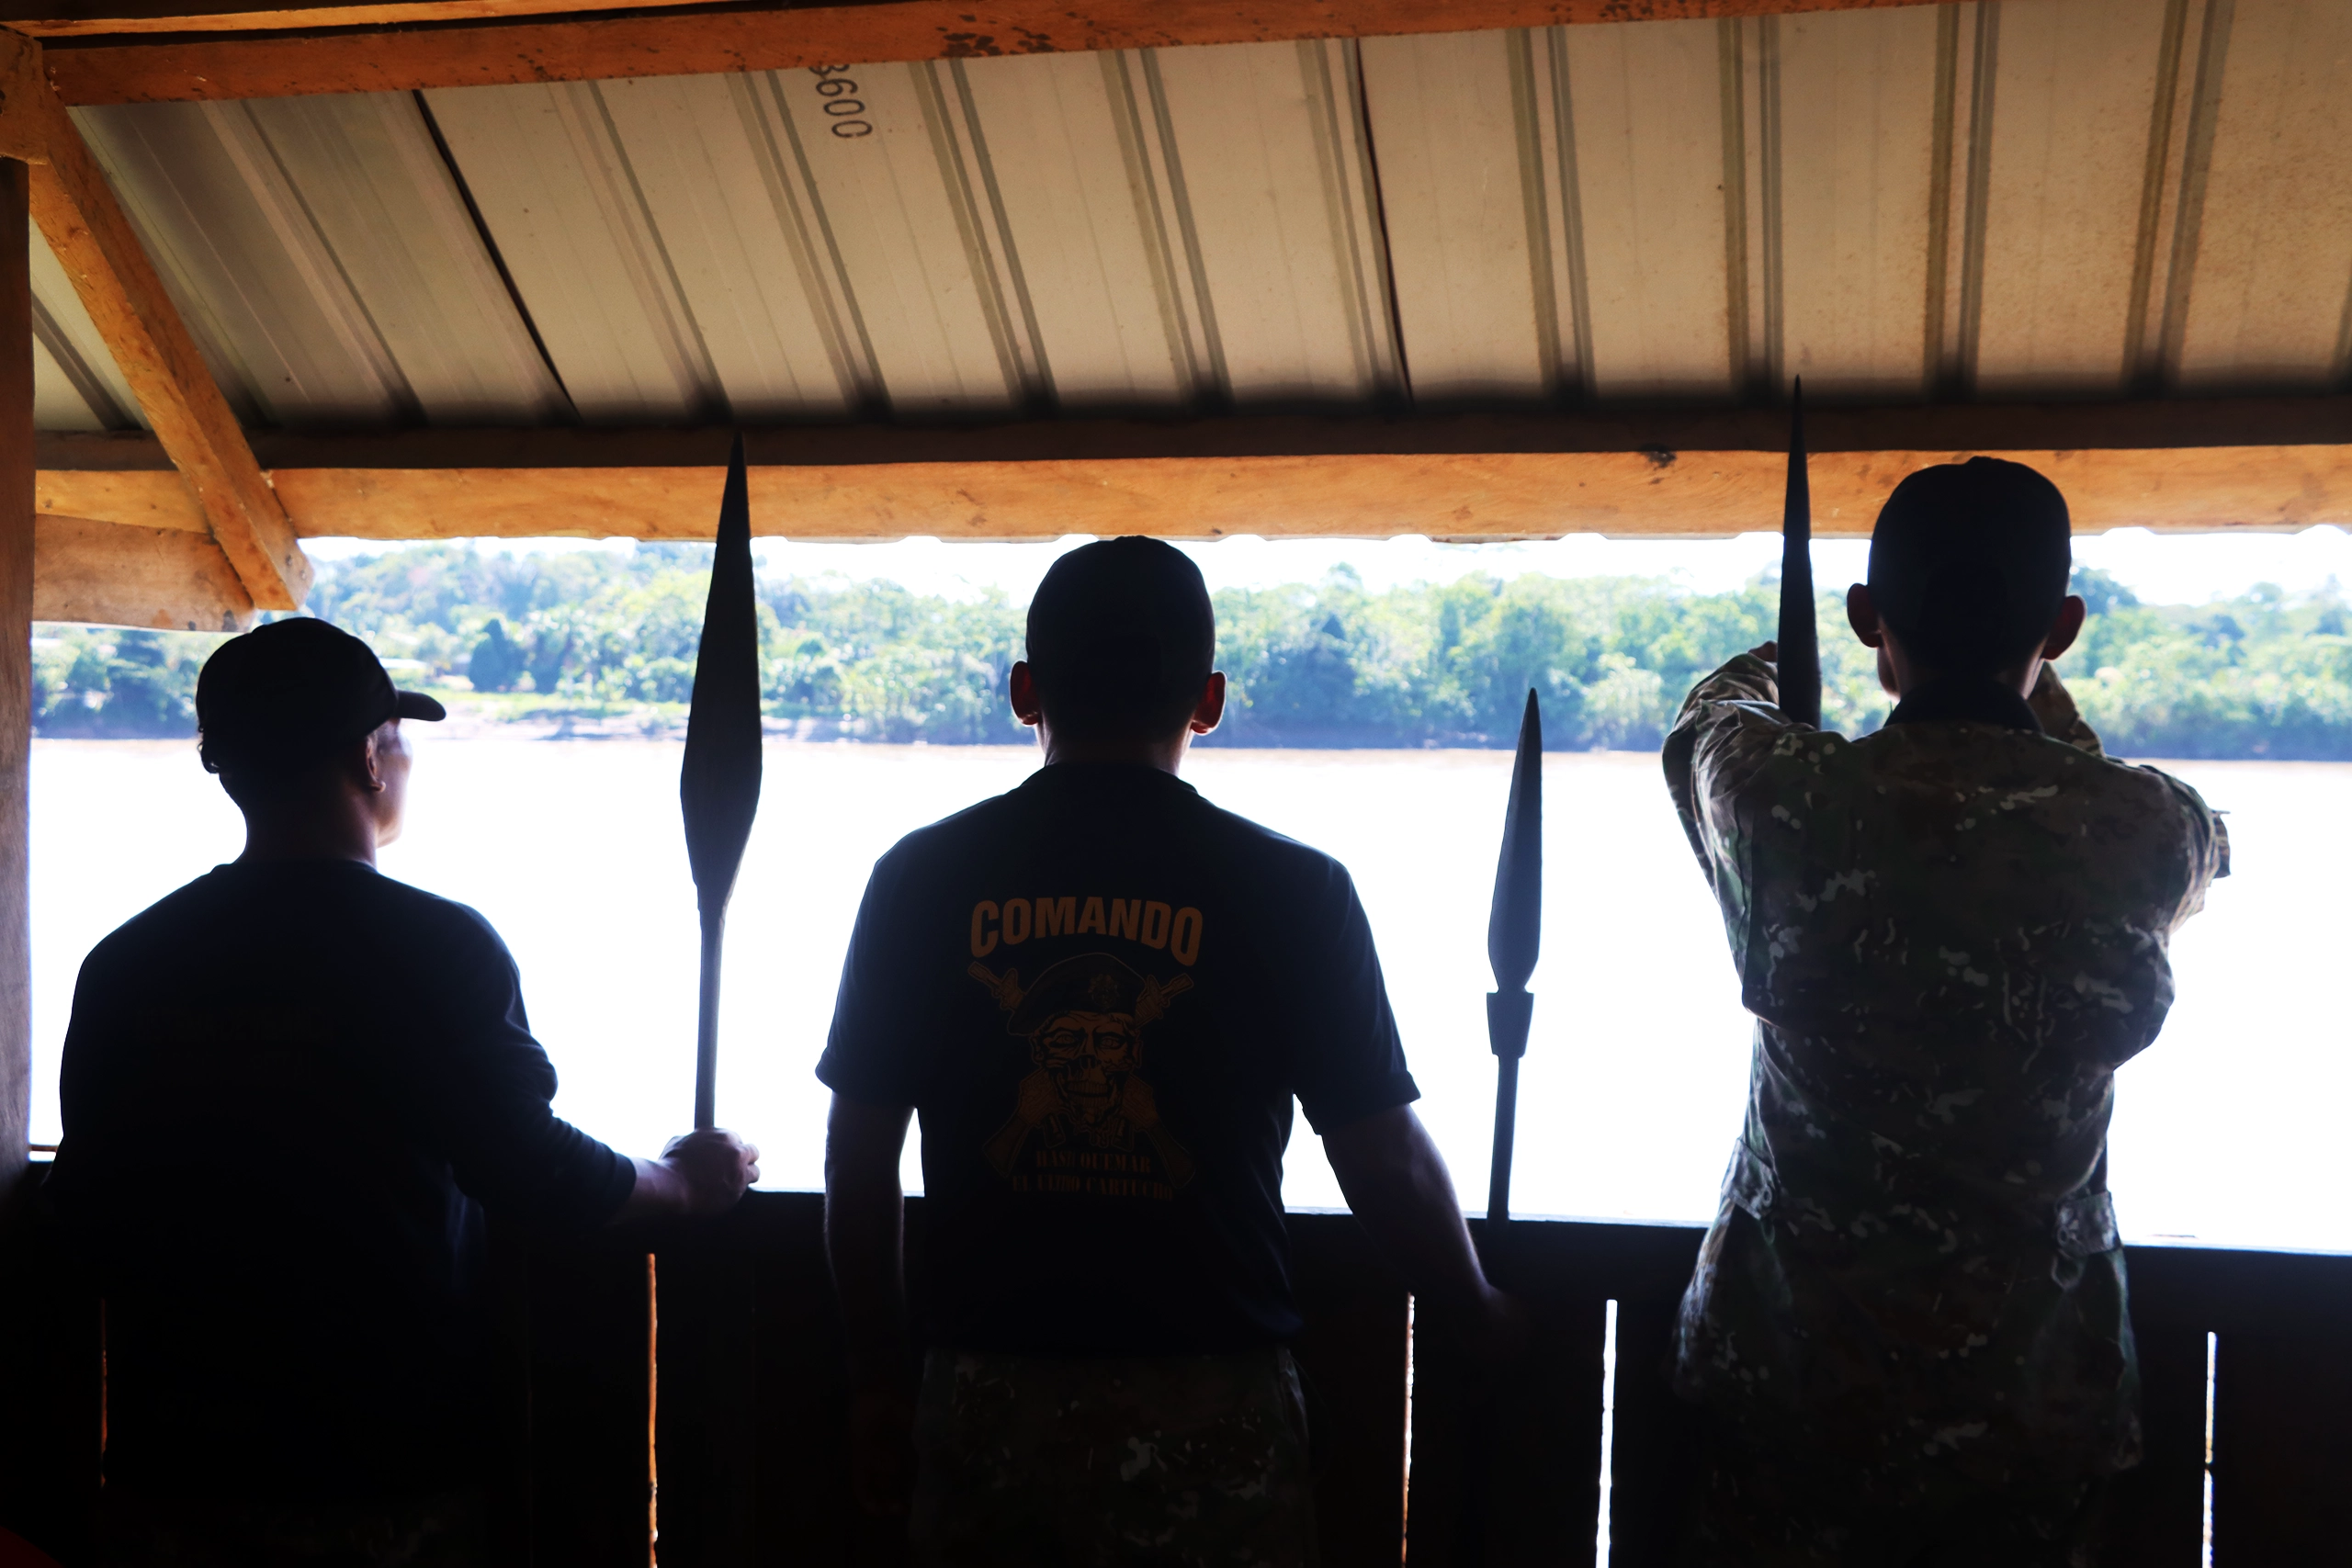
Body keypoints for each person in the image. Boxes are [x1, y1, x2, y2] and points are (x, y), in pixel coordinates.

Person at [820, 537, 1519, 1565]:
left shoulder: (919, 877)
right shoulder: (1296, 890)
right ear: (1209, 700)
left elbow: (857, 1157)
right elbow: (1383, 1157)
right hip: (1215, 1402)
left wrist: (879, 1379)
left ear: (1024, 691)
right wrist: (1476, 1307)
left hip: (987, 1397)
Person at [43, 616, 759, 1567]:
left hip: (172, 1472)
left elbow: (86, 1210)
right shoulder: (438, 946)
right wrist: (681, 1181)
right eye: (396, 739)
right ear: (369, 758)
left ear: (225, 767)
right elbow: (528, 1166)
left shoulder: (127, 961)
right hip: (380, 1475)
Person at [1660, 458, 2230, 1565]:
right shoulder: (2146, 827)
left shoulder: (1787, 801)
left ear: (1868, 617)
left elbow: (1707, 725)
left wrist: (1787, 660)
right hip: (2034, 1401)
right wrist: (2027, 697)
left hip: (1790, 1390)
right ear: (2061, 627)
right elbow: (2120, 814)